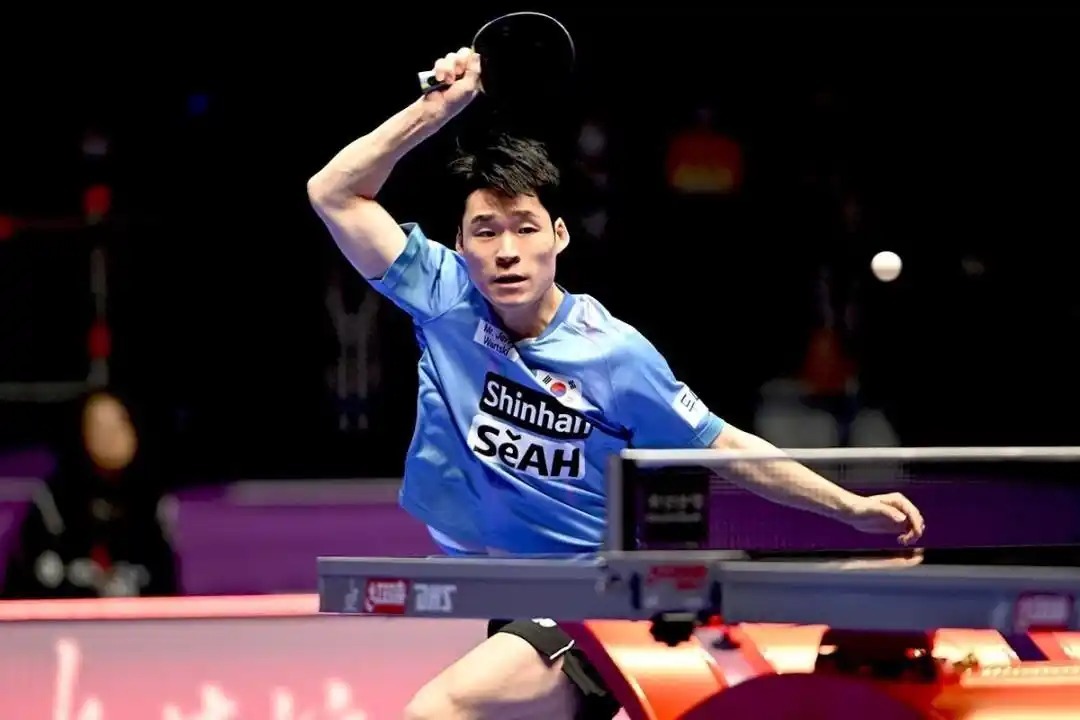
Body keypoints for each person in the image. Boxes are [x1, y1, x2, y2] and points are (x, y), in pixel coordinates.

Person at [307, 48, 925, 720]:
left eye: (525, 228)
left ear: (558, 237)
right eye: (485, 232)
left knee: (439, 711)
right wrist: (435, 110)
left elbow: (723, 446)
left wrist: (849, 507)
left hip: (596, 599)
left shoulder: (612, 354)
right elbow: (333, 191)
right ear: (460, 246)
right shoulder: (442, 295)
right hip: (507, 592)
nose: (507, 251)